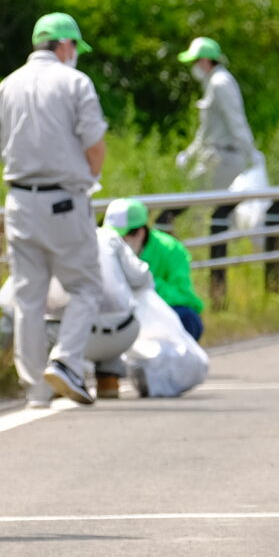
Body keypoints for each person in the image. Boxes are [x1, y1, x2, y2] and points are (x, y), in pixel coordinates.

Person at [0, 12, 110, 407]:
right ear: (65, 45)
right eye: (75, 47)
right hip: (64, 200)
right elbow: (94, 143)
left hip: (19, 201)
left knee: (29, 298)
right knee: (86, 287)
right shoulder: (75, 83)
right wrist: (89, 177)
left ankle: (35, 390)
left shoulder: (7, 85)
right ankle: (67, 361)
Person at [104, 195, 208, 341]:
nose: (117, 242)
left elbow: (184, 296)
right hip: (118, 316)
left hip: (160, 314)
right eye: (112, 236)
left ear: (140, 232)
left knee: (188, 318)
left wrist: (145, 284)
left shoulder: (171, 250)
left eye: (122, 237)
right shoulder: (103, 248)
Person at [174, 37, 257, 191]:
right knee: (216, 206)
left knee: (192, 197)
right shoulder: (213, 82)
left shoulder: (220, 83)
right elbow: (206, 129)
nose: (194, 66)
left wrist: (251, 152)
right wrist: (190, 153)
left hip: (224, 157)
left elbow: (236, 121)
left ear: (205, 61)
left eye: (195, 61)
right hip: (217, 156)